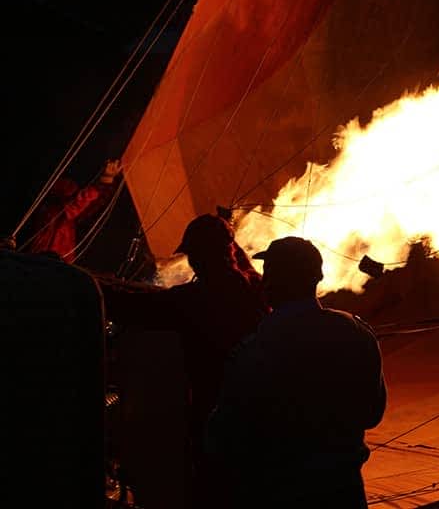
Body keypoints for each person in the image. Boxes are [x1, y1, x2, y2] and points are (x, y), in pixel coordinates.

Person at [206, 236, 387, 508]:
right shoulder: (356, 332)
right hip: (344, 491)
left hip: (282, 492)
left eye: (269, 274)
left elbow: (225, 435)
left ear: (271, 283)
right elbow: (372, 412)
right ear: (318, 276)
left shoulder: (254, 350)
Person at [102, 213, 268, 507]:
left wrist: (83, 283)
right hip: (257, 415)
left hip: (214, 415)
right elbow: (237, 263)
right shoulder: (255, 289)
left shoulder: (195, 299)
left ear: (200, 258)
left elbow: (130, 307)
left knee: (212, 491)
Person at [25, 159, 122, 262]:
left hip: (59, 262)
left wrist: (106, 182)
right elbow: (74, 206)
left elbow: (89, 207)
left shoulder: (70, 218)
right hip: (43, 262)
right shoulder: (50, 209)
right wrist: (105, 180)